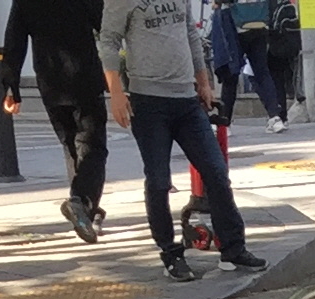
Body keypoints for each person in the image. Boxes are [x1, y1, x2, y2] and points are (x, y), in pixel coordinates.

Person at [101, 0, 261, 280]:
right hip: (148, 102)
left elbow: (190, 33)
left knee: (216, 172)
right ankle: (170, 253)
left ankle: (233, 249)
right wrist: (115, 91)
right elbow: (109, 41)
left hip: (187, 99)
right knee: (159, 181)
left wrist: (203, 81)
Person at [0, 0, 110, 243]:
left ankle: (85, 210)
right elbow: (106, 23)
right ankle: (81, 202)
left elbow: (14, 40)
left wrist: (11, 86)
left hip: (51, 84)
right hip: (84, 78)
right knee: (93, 146)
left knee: (71, 144)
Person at [213, 0, 287, 125]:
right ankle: (275, 116)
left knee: (231, 75)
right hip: (260, 25)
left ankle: (225, 122)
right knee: (262, 73)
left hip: (237, 27)